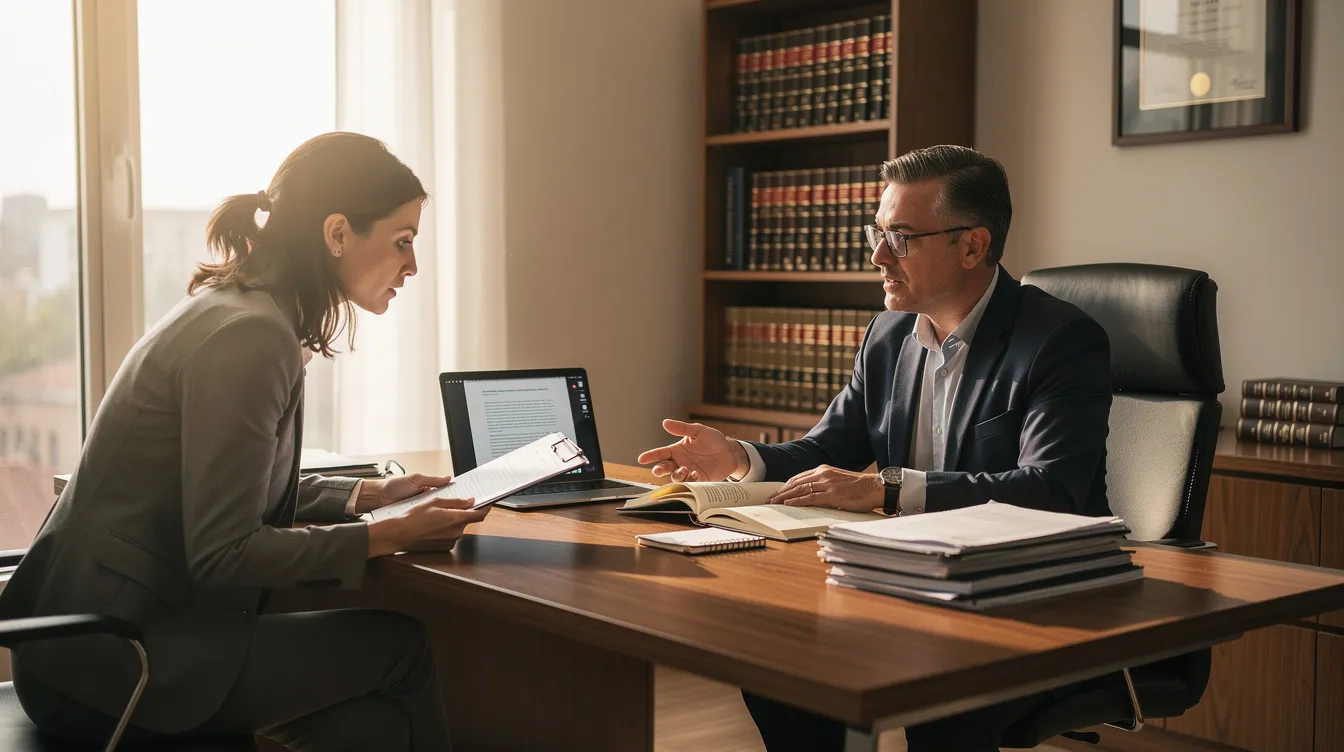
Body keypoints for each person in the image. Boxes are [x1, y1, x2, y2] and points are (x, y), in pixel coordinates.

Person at [0, 132, 484, 751]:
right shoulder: (251, 338)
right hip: (120, 662)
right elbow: (222, 552)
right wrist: (389, 533)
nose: (413, 266)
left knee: (372, 725)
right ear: (337, 233)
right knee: (403, 649)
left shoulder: (238, 310)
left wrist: (365, 494)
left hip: (83, 650)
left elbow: (229, 488)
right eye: (402, 241)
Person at [638, 144, 1113, 751]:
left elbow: (1050, 490)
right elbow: (827, 448)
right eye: (877, 232)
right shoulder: (889, 335)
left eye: (901, 238)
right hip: (906, 581)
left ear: (972, 245)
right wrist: (735, 457)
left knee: (943, 698)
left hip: (1016, 596)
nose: (877, 256)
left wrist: (888, 489)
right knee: (778, 666)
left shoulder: (1059, 342)